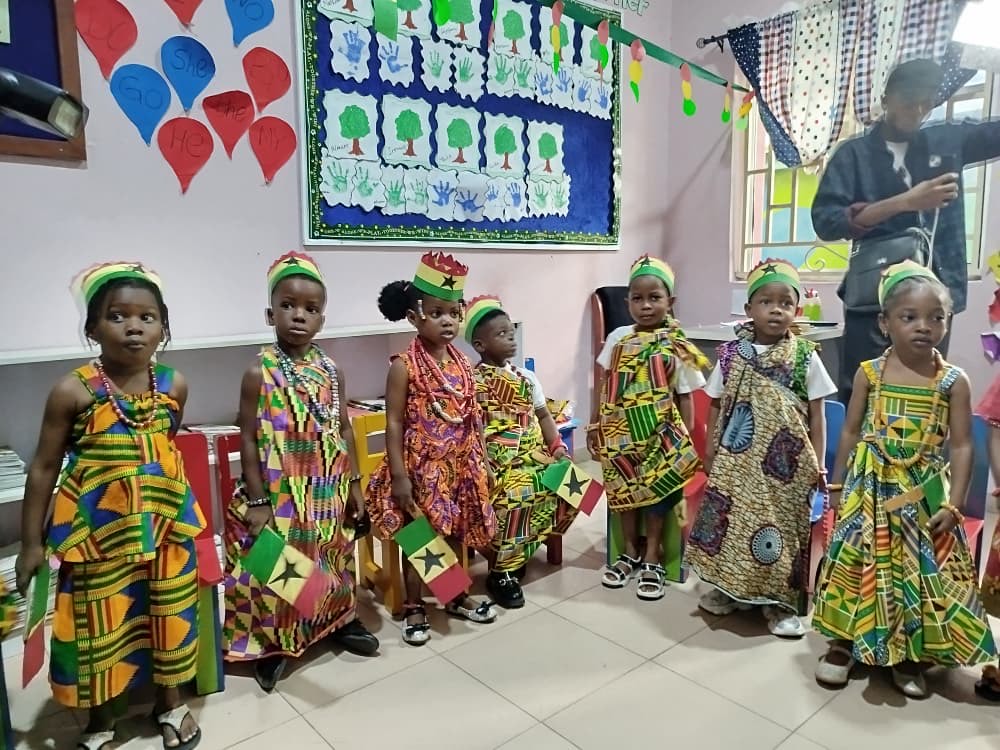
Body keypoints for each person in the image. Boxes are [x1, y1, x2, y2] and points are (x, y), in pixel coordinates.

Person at [15, 262, 205, 750]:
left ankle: (170, 703)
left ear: (163, 328)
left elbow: (164, 445)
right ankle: (101, 717)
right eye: (117, 316)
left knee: (168, 615)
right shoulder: (72, 391)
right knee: (100, 627)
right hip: (98, 538)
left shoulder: (174, 385)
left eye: (147, 317)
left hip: (165, 529)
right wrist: (31, 544)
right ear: (92, 328)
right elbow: (43, 467)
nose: (134, 327)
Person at [812, 261, 996, 698]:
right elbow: (851, 431)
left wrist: (954, 504)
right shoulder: (869, 374)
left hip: (922, 497)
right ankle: (842, 644)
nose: (924, 327)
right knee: (855, 561)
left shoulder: (953, 382)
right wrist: (838, 486)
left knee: (915, 570)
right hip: (868, 490)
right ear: (885, 323)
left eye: (936, 317)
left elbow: (962, 446)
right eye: (909, 317)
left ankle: (909, 653)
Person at [222, 252, 379, 693]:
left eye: (310, 309)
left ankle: (337, 621)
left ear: (321, 320)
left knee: (332, 558)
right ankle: (273, 645)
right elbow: (248, 437)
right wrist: (257, 501)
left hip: (328, 488)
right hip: (279, 490)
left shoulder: (332, 370)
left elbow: (343, 428)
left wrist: (354, 486)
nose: (298, 316)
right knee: (277, 566)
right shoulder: (259, 371)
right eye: (288, 306)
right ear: (270, 314)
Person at [812, 58, 1000, 404]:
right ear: (886, 99)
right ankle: (859, 442)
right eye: (908, 101)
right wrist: (906, 202)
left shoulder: (946, 141)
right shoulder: (853, 155)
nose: (917, 111)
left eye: (926, 103)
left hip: (935, 292)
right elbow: (825, 221)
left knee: (927, 389)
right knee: (863, 389)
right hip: (873, 298)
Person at [686, 259, 834, 637]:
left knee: (779, 531)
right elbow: (715, 404)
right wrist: (710, 449)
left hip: (786, 470)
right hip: (735, 463)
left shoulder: (805, 356)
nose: (776, 310)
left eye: (786, 303)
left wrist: (818, 463)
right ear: (749, 308)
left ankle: (777, 603)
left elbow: (818, 416)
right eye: (766, 302)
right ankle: (730, 590)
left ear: (796, 310)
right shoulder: (730, 355)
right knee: (731, 526)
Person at [367, 252, 497, 645]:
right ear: (414, 316)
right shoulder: (403, 366)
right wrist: (399, 476)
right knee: (419, 536)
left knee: (457, 532)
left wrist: (483, 460)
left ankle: (453, 595)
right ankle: (414, 605)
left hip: (461, 466)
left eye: (454, 313)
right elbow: (393, 422)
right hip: (420, 470)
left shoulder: (464, 365)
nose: (448, 321)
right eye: (437, 313)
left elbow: (472, 416)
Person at [586, 255, 707, 601]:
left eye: (655, 297)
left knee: (658, 496)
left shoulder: (677, 344)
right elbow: (603, 383)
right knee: (622, 495)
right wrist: (595, 424)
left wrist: (683, 439)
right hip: (619, 437)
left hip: (659, 437)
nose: (646, 305)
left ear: (671, 301)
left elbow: (685, 395)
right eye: (637, 299)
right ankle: (629, 552)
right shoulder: (618, 338)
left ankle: (653, 555)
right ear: (628, 303)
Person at [464, 295, 579, 609]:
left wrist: (558, 448)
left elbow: (544, 416)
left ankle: (520, 550)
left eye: (511, 332)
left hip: (532, 455)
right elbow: (474, 429)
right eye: (501, 334)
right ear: (480, 345)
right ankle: (501, 572)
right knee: (515, 495)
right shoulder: (471, 382)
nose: (511, 338)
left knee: (576, 486)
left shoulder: (526, 379)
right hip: (497, 462)